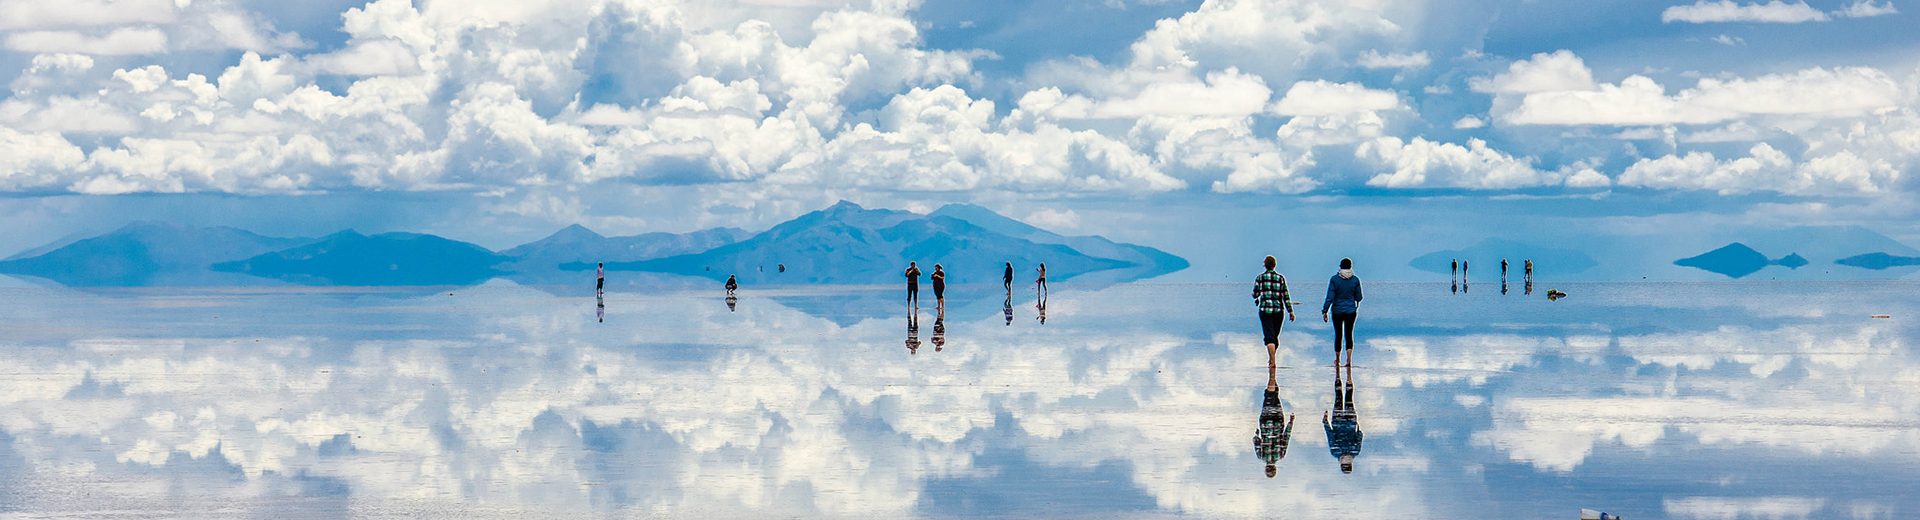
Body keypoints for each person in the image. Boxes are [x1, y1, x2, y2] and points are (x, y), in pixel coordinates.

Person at [1252, 255, 1296, 366]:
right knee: (1275, 337)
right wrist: (1291, 311)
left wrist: (1258, 295)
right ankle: (1272, 359)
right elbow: (1286, 296)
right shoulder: (1280, 278)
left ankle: (1272, 360)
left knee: (1269, 336)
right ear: (1274, 265)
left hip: (1265, 310)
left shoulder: (1260, 278)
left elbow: (1255, 294)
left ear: (1265, 265)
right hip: (1278, 311)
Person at [1253, 362, 1294, 478]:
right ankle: (1272, 374)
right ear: (1266, 468)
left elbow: (1286, 437)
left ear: (1275, 468)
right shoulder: (1261, 456)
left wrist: (1291, 423)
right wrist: (1256, 434)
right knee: (1270, 396)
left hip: (1278, 421)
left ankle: (1272, 374)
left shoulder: (1280, 455)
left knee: (1274, 396)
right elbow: (1256, 440)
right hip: (1265, 422)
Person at [1322, 258, 1363, 367]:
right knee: (1349, 334)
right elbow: (1359, 297)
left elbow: (1330, 297)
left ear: (1340, 266)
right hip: (1351, 311)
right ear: (1350, 266)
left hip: (1337, 311)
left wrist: (1325, 310)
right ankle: (1349, 360)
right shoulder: (1355, 280)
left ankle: (1337, 359)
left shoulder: (1334, 279)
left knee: (1338, 335)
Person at [1323, 364, 1362, 474]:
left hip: (1351, 422)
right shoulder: (1335, 452)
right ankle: (1338, 376)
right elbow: (1330, 436)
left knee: (1349, 397)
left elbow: (1359, 436)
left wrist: (1358, 430)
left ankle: (1348, 378)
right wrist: (1325, 422)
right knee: (1338, 397)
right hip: (1337, 421)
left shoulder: (1355, 451)